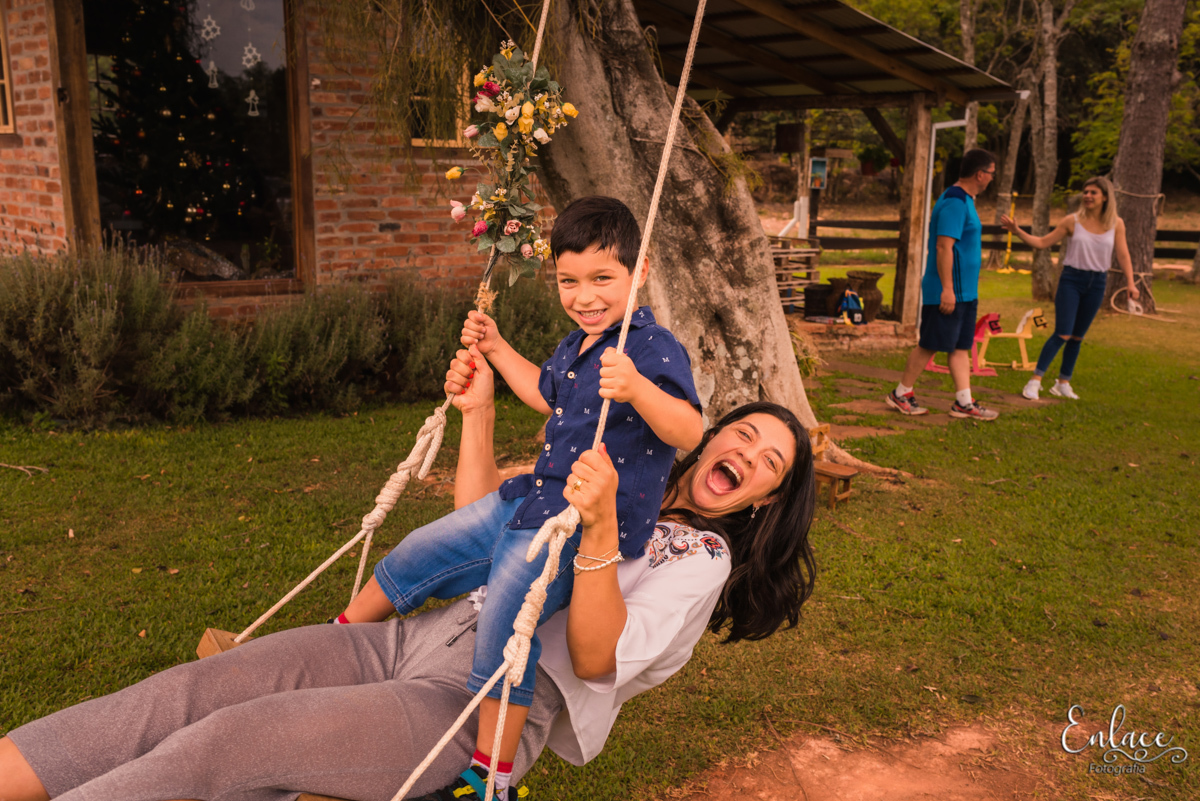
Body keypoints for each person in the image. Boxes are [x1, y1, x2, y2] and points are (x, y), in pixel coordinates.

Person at [0, 349, 817, 801]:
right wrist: (481, 414)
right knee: (193, 691)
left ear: (766, 497)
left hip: (483, 706)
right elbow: (492, 540)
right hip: (413, 636)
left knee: (235, 741)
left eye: (768, 461)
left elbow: (599, 657)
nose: (746, 454)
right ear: (710, 436)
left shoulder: (700, 560)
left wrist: (601, 529)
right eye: (743, 434)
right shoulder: (624, 469)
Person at [329, 196, 704, 799]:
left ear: (642, 271)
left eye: (603, 279)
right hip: (526, 499)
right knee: (422, 550)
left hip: (576, 523)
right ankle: (339, 636)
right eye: (569, 280)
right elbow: (544, 394)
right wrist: (498, 349)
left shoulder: (652, 347)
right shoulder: (575, 345)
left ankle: (491, 777)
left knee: (506, 621)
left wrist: (637, 390)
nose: (585, 296)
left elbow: (688, 429)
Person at [885, 149, 1001, 421]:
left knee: (960, 347)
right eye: (992, 173)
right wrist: (947, 289)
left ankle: (964, 402)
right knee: (929, 344)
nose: (992, 179)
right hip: (948, 292)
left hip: (965, 293)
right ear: (980, 174)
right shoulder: (954, 201)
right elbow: (943, 246)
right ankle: (901, 394)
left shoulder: (967, 201)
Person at [1000, 176, 1139, 400]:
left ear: (1105, 197)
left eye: (1093, 192)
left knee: (1077, 337)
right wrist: (1017, 231)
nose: (1087, 196)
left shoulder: (1116, 223)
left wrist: (1131, 284)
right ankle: (1034, 381)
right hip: (1071, 280)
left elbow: (1123, 254)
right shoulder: (1071, 221)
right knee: (1063, 332)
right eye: (1085, 192)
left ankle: (1063, 383)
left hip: (1098, 282)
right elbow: (1042, 243)